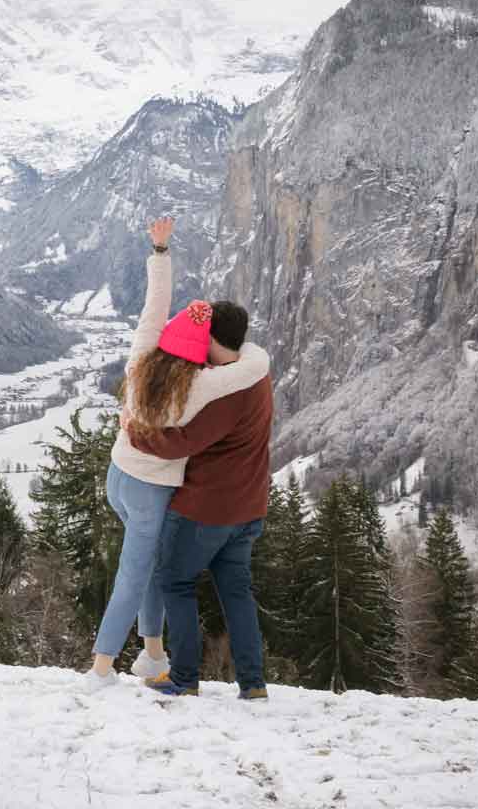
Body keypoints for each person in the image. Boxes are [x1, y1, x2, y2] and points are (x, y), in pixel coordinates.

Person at [81, 216, 271, 687]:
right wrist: (257, 355)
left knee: (146, 570)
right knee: (135, 575)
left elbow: (154, 304)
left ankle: (152, 654)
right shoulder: (198, 388)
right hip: (151, 489)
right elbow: (242, 373)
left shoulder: (141, 357)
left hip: (118, 478)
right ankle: (101, 668)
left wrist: (160, 253)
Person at [126, 290, 276, 699]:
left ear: (211, 339)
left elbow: (182, 442)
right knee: (237, 592)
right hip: (250, 506)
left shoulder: (228, 391)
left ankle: (184, 677)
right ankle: (253, 682)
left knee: (174, 580)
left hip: (208, 509)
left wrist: (135, 431)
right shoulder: (255, 375)